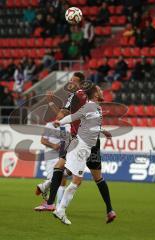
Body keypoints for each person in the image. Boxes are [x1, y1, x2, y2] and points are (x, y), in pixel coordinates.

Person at [40, 72, 116, 224]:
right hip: (81, 145)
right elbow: (71, 117)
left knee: (70, 173)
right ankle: (54, 204)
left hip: (89, 145)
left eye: (73, 81)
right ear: (93, 93)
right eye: (99, 90)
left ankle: (51, 197)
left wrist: (102, 130)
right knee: (71, 175)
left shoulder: (96, 107)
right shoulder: (86, 103)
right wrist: (59, 122)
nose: (101, 92)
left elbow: (86, 124)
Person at [34, 110, 70, 211]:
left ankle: (56, 205)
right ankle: (46, 193)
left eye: (61, 113)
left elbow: (66, 140)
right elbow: (43, 140)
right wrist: (53, 145)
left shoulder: (66, 127)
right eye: (59, 112)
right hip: (50, 155)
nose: (58, 113)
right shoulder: (49, 125)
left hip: (61, 156)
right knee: (55, 178)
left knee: (62, 179)